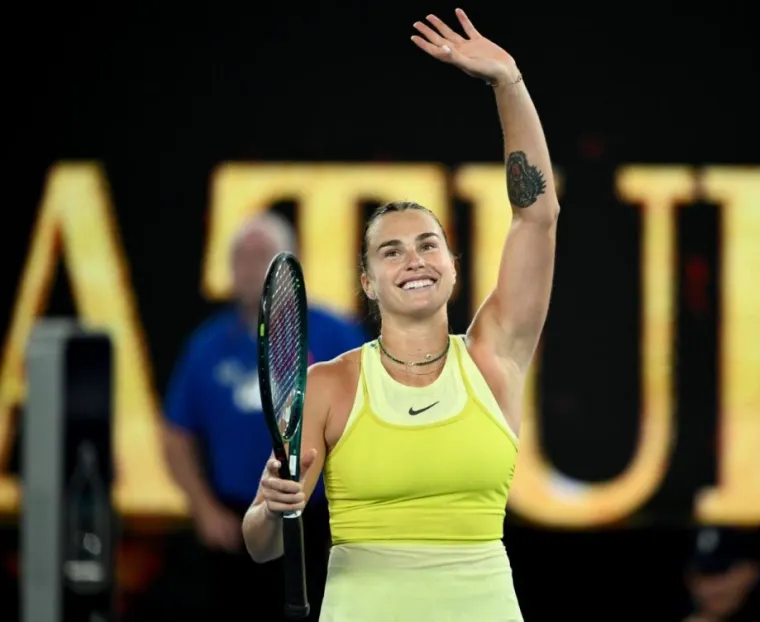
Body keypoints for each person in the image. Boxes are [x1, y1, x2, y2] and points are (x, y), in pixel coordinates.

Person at [242, 9, 558, 621]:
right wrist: (265, 508)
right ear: (368, 281)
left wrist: (508, 82)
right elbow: (261, 547)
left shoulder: (495, 357)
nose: (413, 260)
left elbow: (536, 216)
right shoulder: (328, 386)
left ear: (453, 266)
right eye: (391, 250)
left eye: (428, 244)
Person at [162, 212, 367, 620]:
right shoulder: (207, 347)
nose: (251, 267)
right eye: (241, 256)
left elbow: (369, 417)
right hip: (236, 523)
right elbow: (175, 433)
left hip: (319, 520)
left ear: (289, 263)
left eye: (262, 256)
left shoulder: (335, 335)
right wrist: (203, 508)